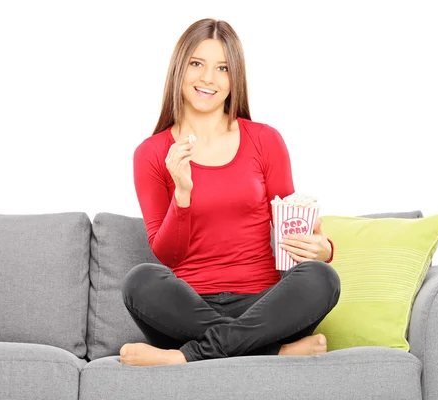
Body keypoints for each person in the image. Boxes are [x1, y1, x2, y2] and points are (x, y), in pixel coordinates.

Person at [123, 18, 340, 366]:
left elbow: (290, 224)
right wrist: (182, 193)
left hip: (262, 307)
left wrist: (322, 248)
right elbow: (167, 256)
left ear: (234, 78)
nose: (208, 78)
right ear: (179, 69)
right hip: (189, 310)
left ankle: (189, 357)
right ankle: (271, 352)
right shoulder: (151, 153)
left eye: (222, 68)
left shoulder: (265, 140)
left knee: (321, 278)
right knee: (140, 280)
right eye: (197, 64)